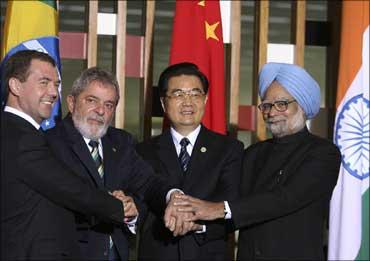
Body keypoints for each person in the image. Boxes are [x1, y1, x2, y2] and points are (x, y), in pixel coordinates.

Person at [174, 62, 341, 260]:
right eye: (266, 106)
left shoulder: (323, 152)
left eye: (281, 104)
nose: (271, 113)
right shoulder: (253, 154)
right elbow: (238, 210)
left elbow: (285, 198)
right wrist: (199, 224)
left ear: (303, 106)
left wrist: (217, 209)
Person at [0, 50, 131, 260]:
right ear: (15, 86)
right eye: (44, 82)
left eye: (56, 84)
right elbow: (69, 188)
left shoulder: (23, 132)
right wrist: (119, 207)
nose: (53, 92)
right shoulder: (20, 136)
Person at [45, 67, 181, 261]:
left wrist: (168, 197)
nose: (100, 111)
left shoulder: (121, 141)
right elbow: (57, 205)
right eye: (92, 100)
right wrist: (113, 207)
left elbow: (149, 182)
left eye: (109, 105)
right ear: (72, 102)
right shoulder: (50, 143)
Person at [136, 62, 244, 260]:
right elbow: (139, 210)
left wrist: (198, 224)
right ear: (163, 103)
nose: (188, 102)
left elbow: (233, 208)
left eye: (195, 94)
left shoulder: (229, 149)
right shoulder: (143, 151)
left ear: (205, 99)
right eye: (178, 94)